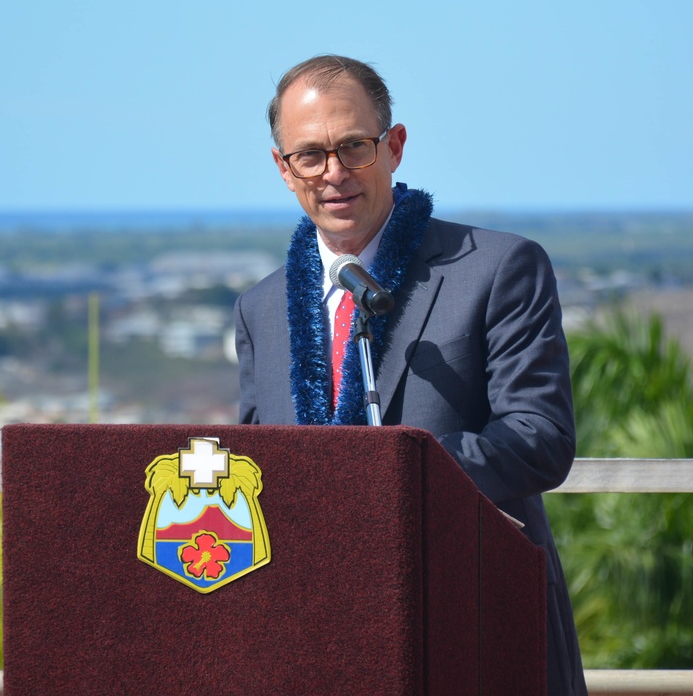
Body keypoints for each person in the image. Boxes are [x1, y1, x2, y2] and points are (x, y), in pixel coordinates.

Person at [235, 54, 587, 696]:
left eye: (354, 147)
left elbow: (541, 438)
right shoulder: (262, 308)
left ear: (394, 147)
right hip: (324, 643)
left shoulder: (499, 268)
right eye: (310, 155)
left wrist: (397, 476)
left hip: (476, 625)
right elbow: (263, 469)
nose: (334, 173)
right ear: (284, 170)